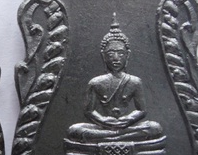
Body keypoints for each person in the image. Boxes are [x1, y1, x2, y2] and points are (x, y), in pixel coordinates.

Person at [69, 13, 162, 143]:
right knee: (75, 129)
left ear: (127, 55)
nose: (116, 58)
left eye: (121, 53)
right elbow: (89, 111)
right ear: (104, 56)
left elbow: (141, 110)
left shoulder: (135, 82)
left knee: (154, 127)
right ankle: (119, 137)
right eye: (111, 53)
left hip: (126, 126)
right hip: (104, 126)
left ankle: (113, 137)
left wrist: (128, 119)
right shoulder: (96, 83)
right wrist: (103, 121)